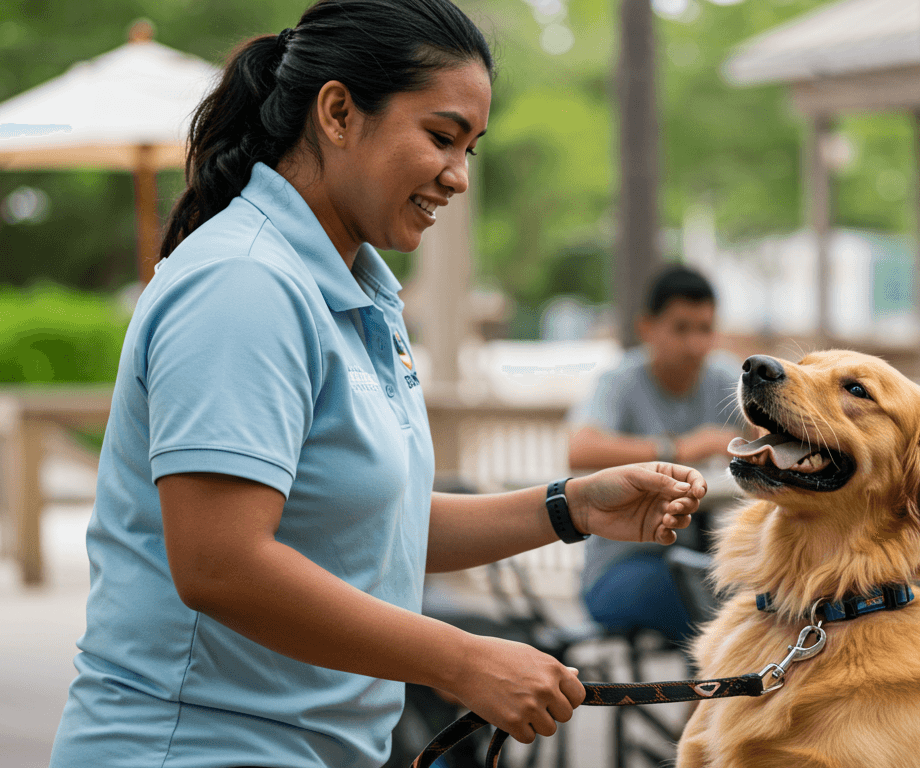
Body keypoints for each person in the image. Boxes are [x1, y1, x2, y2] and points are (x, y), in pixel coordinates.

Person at [48, 3, 706, 767]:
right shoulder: (245, 284)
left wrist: (571, 507)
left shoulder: (353, 287)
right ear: (337, 112)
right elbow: (220, 563)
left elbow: (367, 522)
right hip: (196, 747)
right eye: (441, 136)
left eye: (470, 147)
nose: (458, 175)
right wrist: (463, 660)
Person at [567, 265, 744, 643]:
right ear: (647, 327)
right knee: (723, 608)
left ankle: (706, 702)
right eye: (681, 328)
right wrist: (681, 448)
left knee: (743, 594)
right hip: (621, 568)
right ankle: (713, 700)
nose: (696, 344)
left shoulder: (725, 377)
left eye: (705, 329)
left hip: (696, 556)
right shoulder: (619, 381)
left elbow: (770, 436)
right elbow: (579, 449)